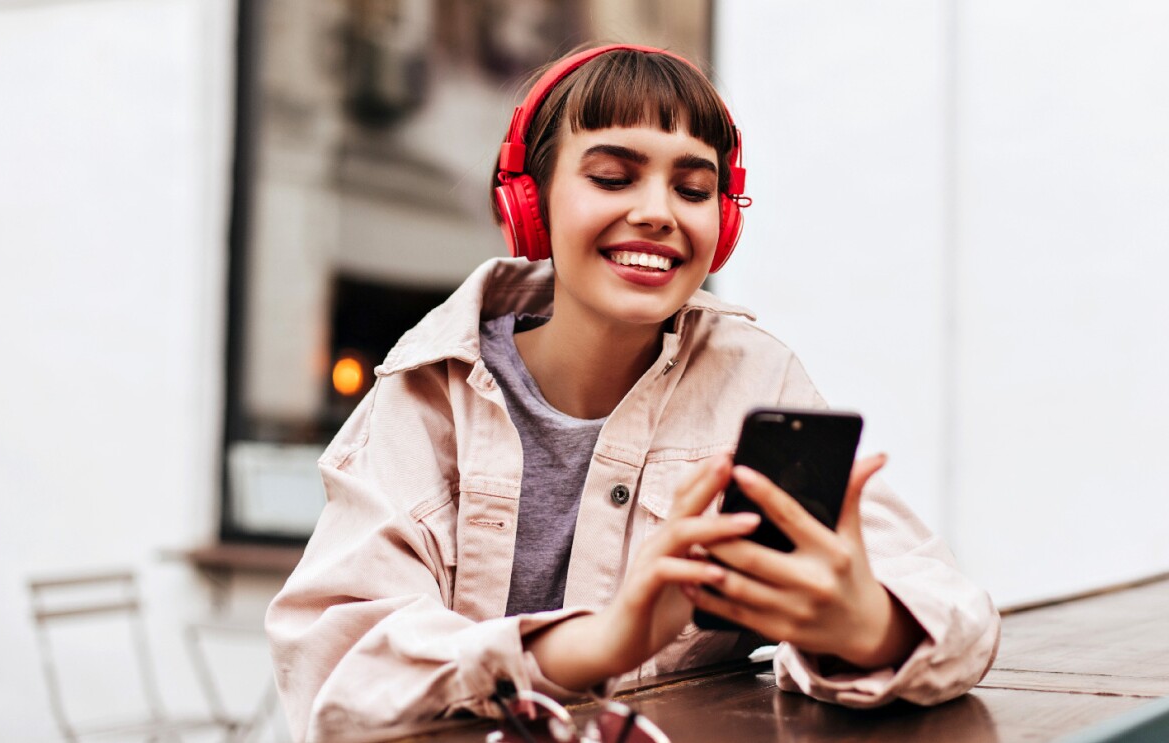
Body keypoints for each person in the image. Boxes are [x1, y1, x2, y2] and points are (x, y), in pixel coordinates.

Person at [266, 44, 1000, 742]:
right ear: (530, 202)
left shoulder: (757, 382)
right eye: (614, 178)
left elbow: (958, 616)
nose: (659, 211)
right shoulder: (428, 394)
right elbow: (332, 668)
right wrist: (589, 644)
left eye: (693, 188)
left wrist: (868, 624)